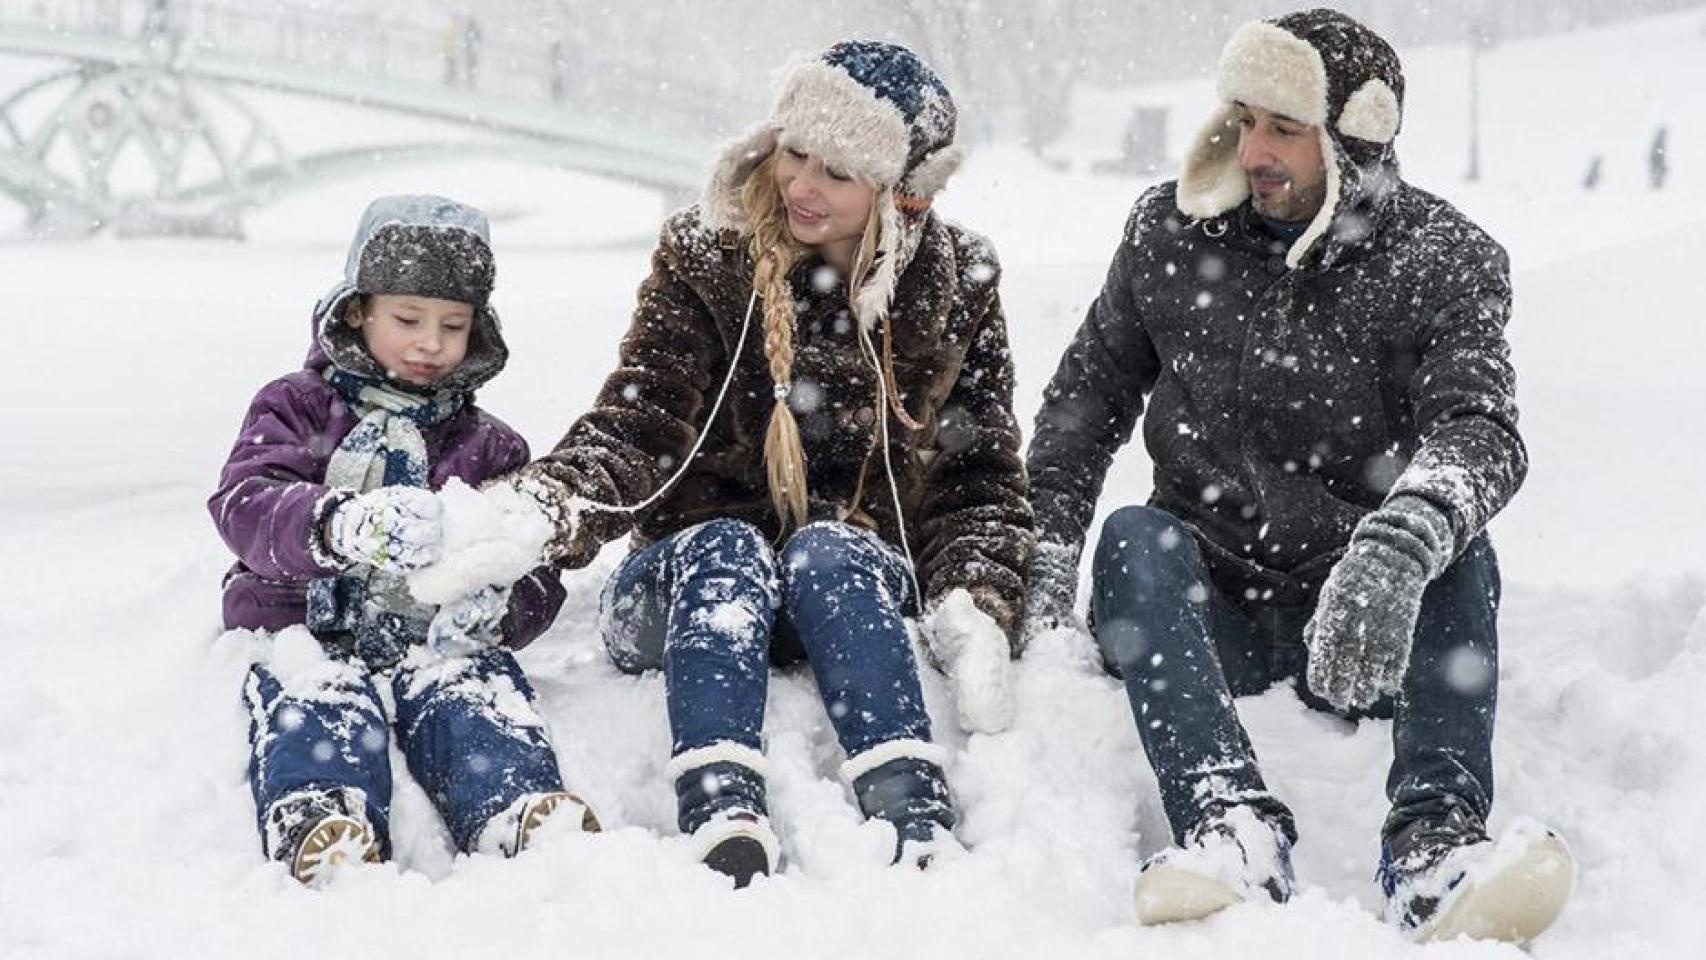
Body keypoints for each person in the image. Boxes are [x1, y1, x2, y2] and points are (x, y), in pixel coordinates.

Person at [1023, 8, 1570, 945]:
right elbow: (1083, 408)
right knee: (1131, 539)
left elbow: (1481, 429)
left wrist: (1398, 547)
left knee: (1458, 547)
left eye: (1284, 127)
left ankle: (1436, 847)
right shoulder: (1168, 233)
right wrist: (1038, 561)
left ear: (1354, 138)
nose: (1255, 149)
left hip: (1365, 623)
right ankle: (1228, 825)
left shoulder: (1444, 261)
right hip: (1208, 611)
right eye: (1243, 119)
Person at [438, 41, 1031, 887]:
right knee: (728, 546)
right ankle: (721, 802)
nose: (800, 185)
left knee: (831, 549)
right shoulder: (705, 256)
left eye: (837, 171)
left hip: (845, 595)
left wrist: (978, 598)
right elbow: (638, 423)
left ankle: (911, 805)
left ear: (900, 195)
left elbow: (980, 474)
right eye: (795, 152)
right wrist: (543, 507)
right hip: (686, 590)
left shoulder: (955, 282)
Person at [209, 195, 598, 886]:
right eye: (409, 320)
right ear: (357, 310)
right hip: (302, 622)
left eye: (453, 325)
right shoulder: (296, 407)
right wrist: (337, 524)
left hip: (432, 638)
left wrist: (501, 606)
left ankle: (513, 804)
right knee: (318, 695)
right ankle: (322, 811)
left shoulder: (490, 446)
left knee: (473, 693)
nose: (430, 344)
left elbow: (531, 563)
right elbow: (246, 502)